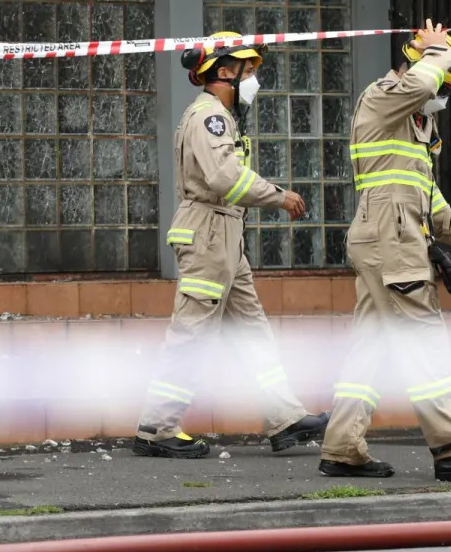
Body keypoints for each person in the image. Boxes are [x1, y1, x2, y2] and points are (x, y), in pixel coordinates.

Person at [319, 20, 451, 482]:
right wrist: (439, 52)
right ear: (419, 63)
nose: (444, 92)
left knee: (371, 348)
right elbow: (423, 80)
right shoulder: (386, 94)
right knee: (423, 339)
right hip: (390, 238)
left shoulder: (415, 115)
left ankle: (342, 447)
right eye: (446, 82)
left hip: (391, 235)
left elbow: (419, 184)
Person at [133, 31, 329, 459]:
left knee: (251, 331)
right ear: (224, 71)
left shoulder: (219, 116)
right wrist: (279, 196)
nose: (255, 77)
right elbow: (225, 178)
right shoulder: (210, 117)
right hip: (208, 234)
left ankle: (284, 419)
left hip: (223, 236)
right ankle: (157, 428)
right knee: (191, 332)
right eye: (249, 69)